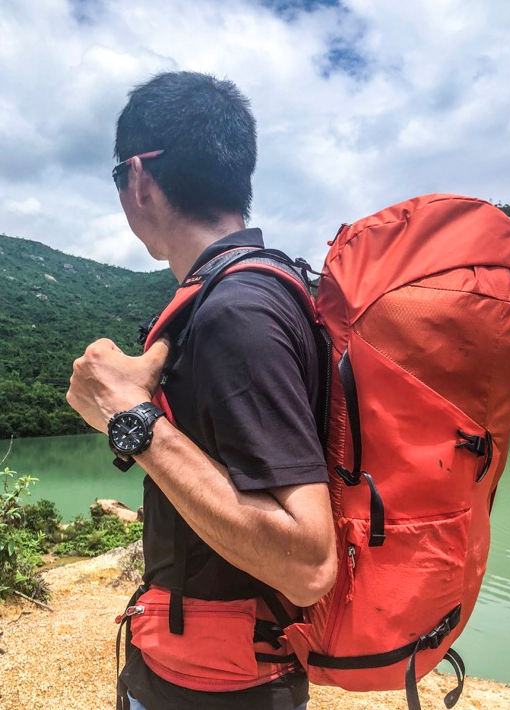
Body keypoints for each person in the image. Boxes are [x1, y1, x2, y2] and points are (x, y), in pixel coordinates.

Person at [67, 71, 337, 710]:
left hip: (221, 689)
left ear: (139, 178)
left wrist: (131, 420)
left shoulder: (237, 310)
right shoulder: (246, 291)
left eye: (117, 177)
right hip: (204, 672)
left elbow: (308, 565)